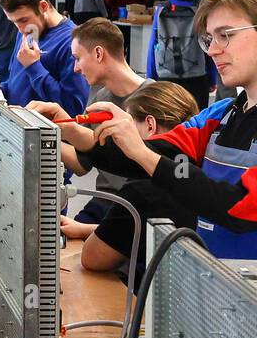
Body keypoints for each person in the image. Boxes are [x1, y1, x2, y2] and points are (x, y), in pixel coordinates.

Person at [31, 0, 257, 316]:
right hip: (221, 305)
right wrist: (74, 131)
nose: (213, 50)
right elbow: (157, 152)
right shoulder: (224, 115)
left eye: (226, 35)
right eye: (209, 38)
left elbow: (243, 205)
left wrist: (144, 154)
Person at [73, 82, 200, 285]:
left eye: (127, 128)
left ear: (150, 125)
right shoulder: (197, 170)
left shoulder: (143, 189)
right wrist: (86, 229)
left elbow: (92, 258)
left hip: (153, 302)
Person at [56, 18, 150, 235]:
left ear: (98, 54)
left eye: (78, 58)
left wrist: (87, 231)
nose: (76, 68)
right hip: (103, 203)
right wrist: (45, 135)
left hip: (134, 211)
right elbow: (83, 165)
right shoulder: (99, 99)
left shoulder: (155, 101)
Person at [0, 0, 89, 118]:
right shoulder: (28, 31)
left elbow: (72, 108)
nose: (20, 29)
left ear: (43, 7)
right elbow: (15, 80)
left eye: (23, 19)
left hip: (45, 135)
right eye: (14, 22)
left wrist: (34, 67)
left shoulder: (71, 42)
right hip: (16, 127)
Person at [147, 0, 219, 110]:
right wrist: (212, 78)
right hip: (197, 75)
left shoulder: (162, 9)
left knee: (169, 120)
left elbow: (153, 43)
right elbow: (209, 44)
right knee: (197, 121)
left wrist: (151, 75)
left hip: (166, 74)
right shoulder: (202, 8)